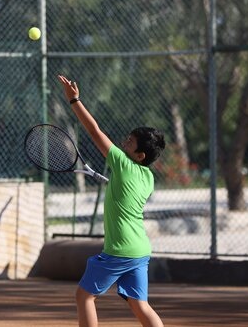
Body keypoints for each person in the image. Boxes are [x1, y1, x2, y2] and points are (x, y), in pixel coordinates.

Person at [57, 74, 165, 327]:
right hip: (140, 251)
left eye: (129, 142)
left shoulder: (123, 164)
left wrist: (75, 101)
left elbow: (94, 131)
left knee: (84, 296)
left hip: (119, 251)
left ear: (139, 155)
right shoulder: (148, 177)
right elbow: (126, 194)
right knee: (140, 304)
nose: (124, 142)